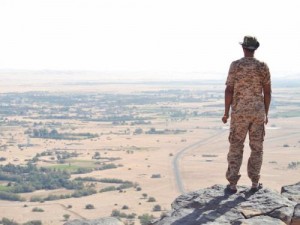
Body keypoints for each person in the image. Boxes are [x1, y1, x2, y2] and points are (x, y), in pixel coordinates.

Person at [222, 36, 271, 193]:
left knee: (236, 146)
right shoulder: (262, 67)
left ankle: (232, 184)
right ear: (255, 49)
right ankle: (255, 183)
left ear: (243, 48)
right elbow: (267, 92)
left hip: (239, 113)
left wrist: (226, 113)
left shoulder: (235, 65)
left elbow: (229, 90)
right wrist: (266, 113)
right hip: (257, 113)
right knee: (257, 147)